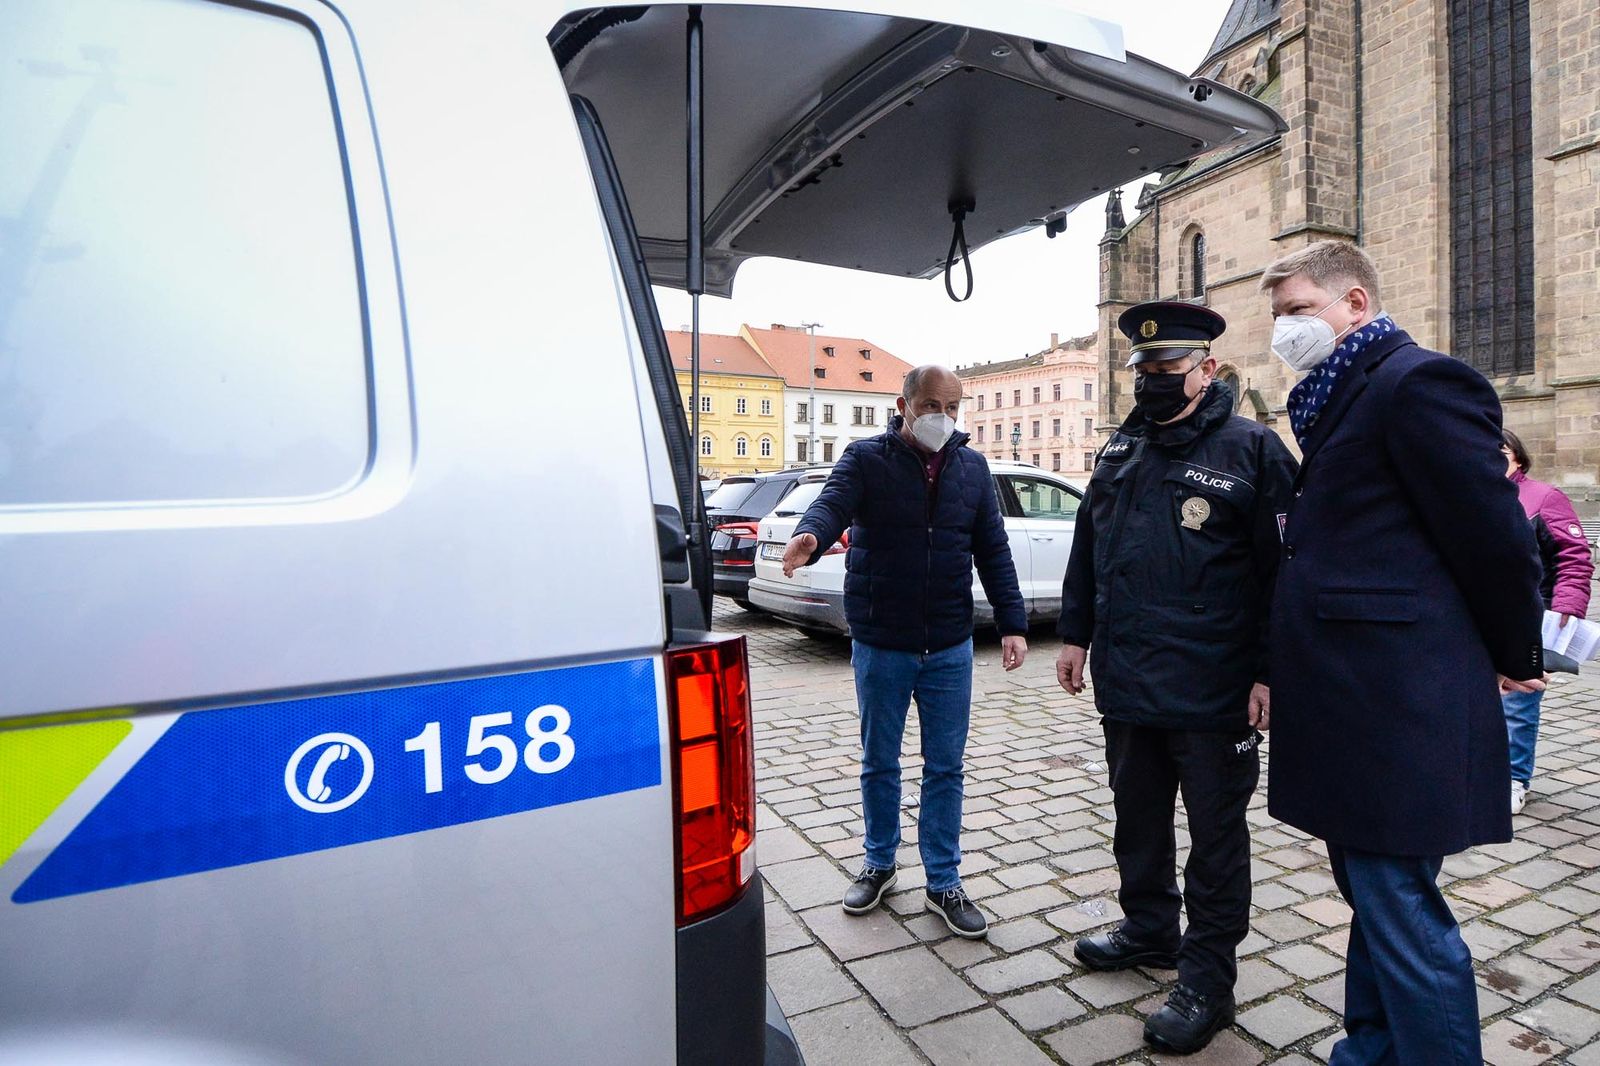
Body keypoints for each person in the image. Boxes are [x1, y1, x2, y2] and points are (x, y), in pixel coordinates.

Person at [1261, 240, 1545, 1066]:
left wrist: (1513, 646)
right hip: (1352, 695)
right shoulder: (1338, 393)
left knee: (1400, 905)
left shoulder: (1416, 381)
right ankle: (1370, 1053)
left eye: (1298, 310)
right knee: (1375, 896)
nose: (1284, 329)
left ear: (1355, 304)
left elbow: (1494, 536)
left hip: (1395, 698)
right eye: (1277, 315)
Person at [1054, 301, 1297, 1055]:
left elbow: (1285, 574)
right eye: (1145, 369)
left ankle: (1208, 980)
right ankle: (1150, 930)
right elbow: (1088, 548)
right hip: (1128, 676)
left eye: (1168, 368)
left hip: (1214, 684)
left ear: (1207, 369)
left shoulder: (1252, 450)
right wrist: (1074, 633)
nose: (1154, 380)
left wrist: (1269, 672)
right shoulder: (1123, 447)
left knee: (1216, 838)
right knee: (1137, 815)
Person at [781, 365, 1027, 939]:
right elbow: (832, 504)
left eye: (952, 405)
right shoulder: (866, 459)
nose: (943, 415)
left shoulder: (971, 467)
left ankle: (943, 880)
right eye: (932, 404)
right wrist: (812, 537)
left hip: (948, 644)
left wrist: (1013, 623)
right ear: (905, 405)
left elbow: (993, 548)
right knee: (879, 761)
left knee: (946, 767)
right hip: (882, 641)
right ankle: (880, 862)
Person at [1500, 427, 1594, 814]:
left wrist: (1566, 610)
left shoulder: (1543, 497)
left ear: (1518, 457)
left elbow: (1573, 556)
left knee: (1520, 701)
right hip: (1480, 614)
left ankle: (1514, 779)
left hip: (1530, 615)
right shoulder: (1471, 495)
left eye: (1500, 449)